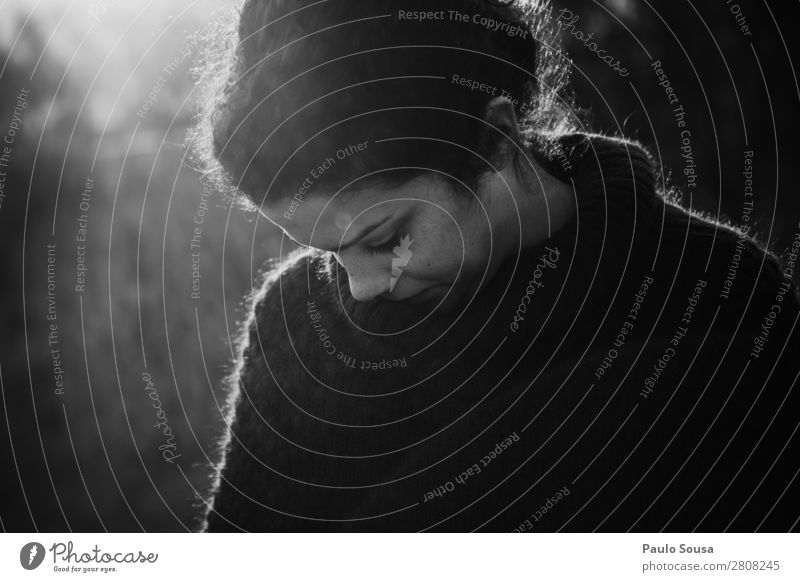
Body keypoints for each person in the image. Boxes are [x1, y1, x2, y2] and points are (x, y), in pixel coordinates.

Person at [192, 0, 800, 532]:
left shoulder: (718, 290)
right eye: (328, 254)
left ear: (498, 135)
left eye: (385, 237)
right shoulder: (296, 326)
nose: (362, 288)